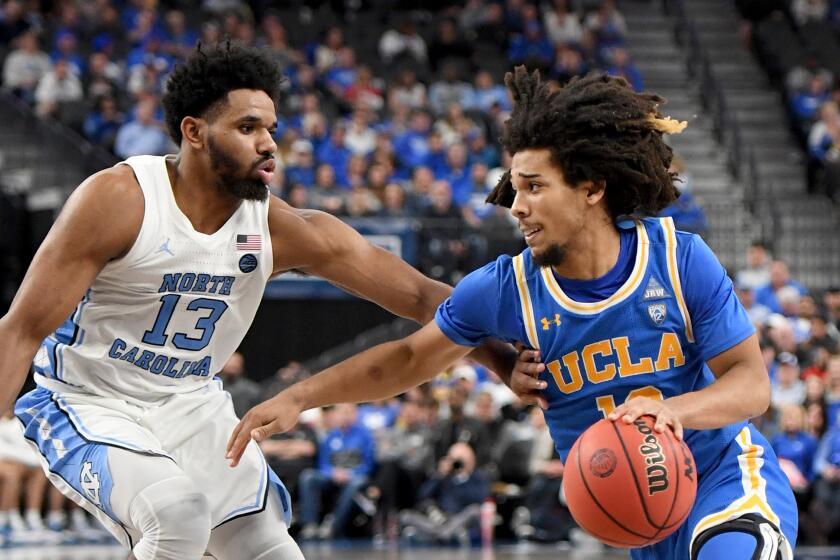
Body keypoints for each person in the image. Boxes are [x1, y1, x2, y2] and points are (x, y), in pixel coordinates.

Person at [230, 69, 798, 560]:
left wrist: (673, 410)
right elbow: (407, 357)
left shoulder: (677, 259)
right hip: (640, 513)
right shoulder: (505, 291)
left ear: (591, 188)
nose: (516, 205)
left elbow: (751, 386)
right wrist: (302, 396)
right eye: (514, 187)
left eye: (533, 187)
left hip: (726, 479)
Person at [0, 43, 533, 560]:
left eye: (271, 129)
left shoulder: (279, 228)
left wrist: (500, 359)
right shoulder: (118, 200)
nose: (269, 145)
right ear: (194, 132)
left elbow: (421, 295)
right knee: (177, 515)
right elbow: (19, 329)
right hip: (90, 400)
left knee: (273, 551)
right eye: (247, 127)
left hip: (190, 402)